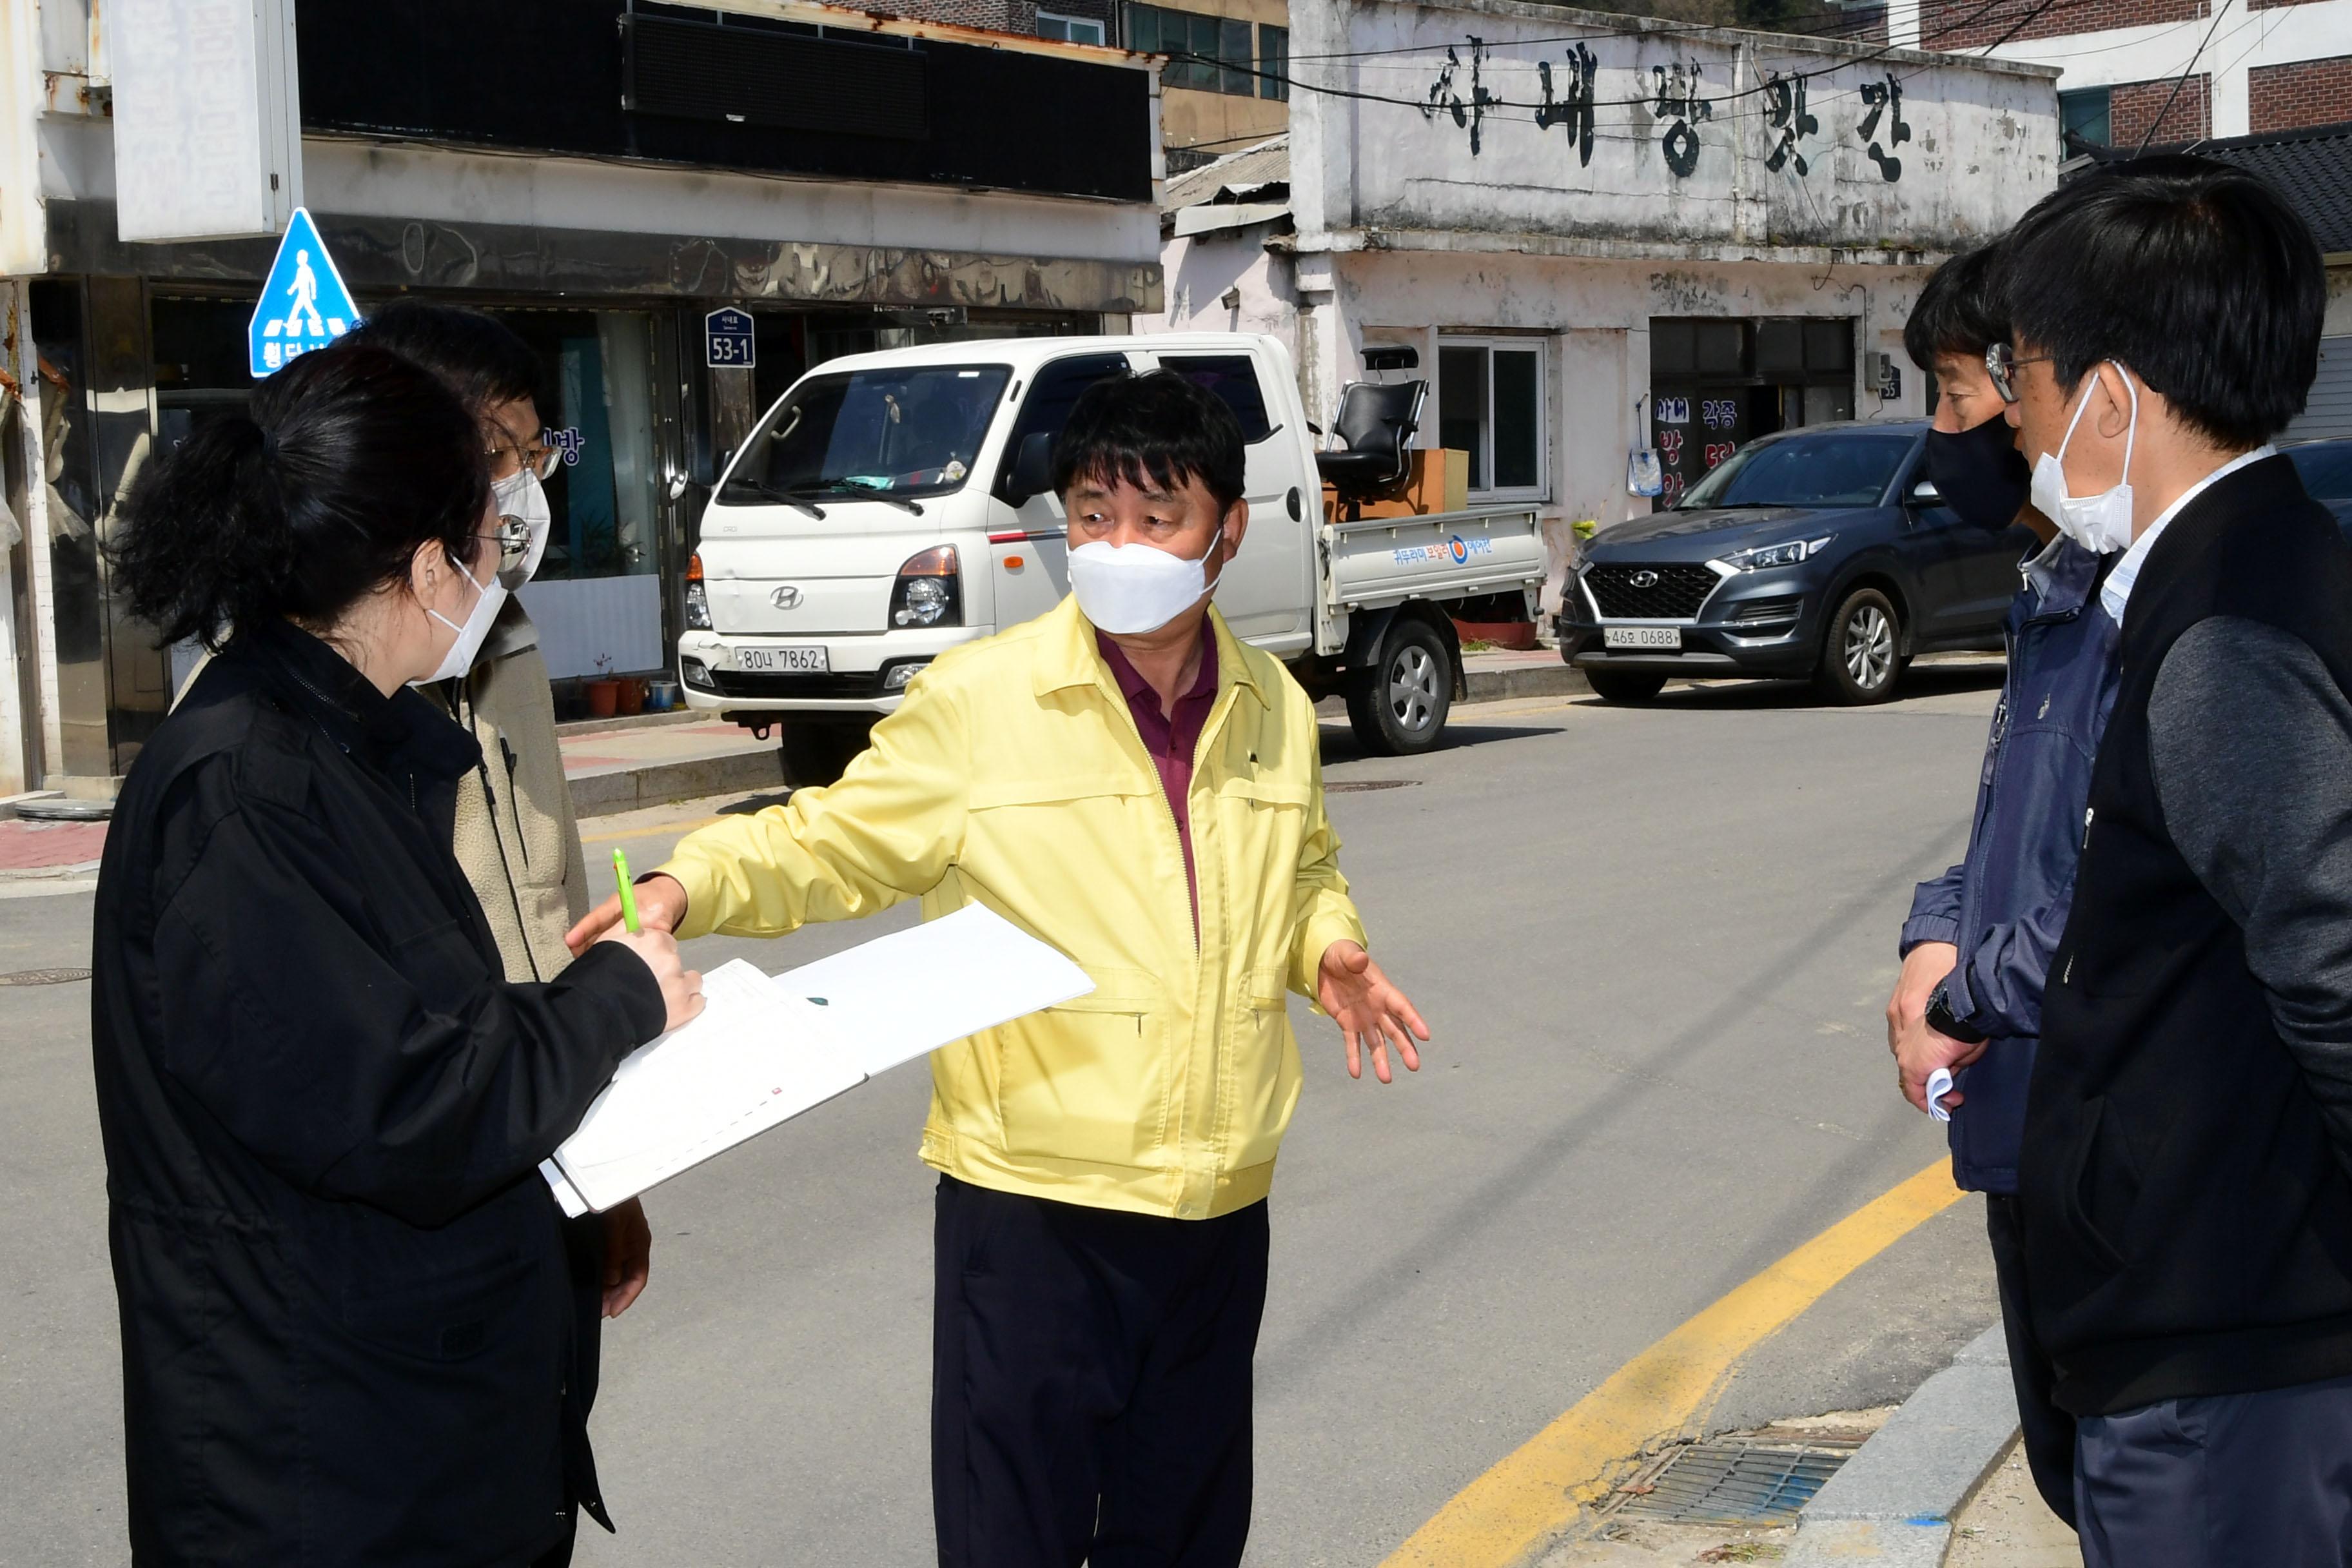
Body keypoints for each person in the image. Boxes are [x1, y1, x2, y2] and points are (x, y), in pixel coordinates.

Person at [567, 369, 1429, 1567]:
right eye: (1091, 515)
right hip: (1035, 1218)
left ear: (1226, 532)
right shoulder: (983, 699)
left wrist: (1324, 943)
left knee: (1183, 1539)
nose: (1118, 546)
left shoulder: (1273, 702)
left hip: (1218, 1215)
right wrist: (685, 883)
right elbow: (830, 840)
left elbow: (1296, 864)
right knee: (1009, 1541)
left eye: (1155, 518)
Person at [91, 342, 701, 1566]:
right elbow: (407, 1100)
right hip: (323, 1479)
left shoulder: (345, 746)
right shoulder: (244, 789)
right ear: (427, 566)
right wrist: (623, 997)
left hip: (411, 1442)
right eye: (488, 528)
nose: (500, 557)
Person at [1988, 156, 2352, 1565]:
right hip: (2222, 1339)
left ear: (2113, 400)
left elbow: (2333, 972)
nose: (2016, 423)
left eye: (2023, 381)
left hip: (2232, 1364)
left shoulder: (2225, 642)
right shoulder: (2252, 571)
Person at [350, 300, 659, 1335]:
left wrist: (607, 1170)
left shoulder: (510, 642)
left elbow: (549, 915)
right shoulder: (309, 693)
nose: (521, 488)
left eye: (535, 453)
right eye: (495, 452)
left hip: (553, 1145)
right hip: (418, 1198)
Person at [1883, 240, 2115, 1529]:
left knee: (2122, 1485)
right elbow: (2013, 849)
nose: (1947, 432)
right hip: (2022, 1131)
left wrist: (1964, 985)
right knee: (2071, 1476)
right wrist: (1932, 940)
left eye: (1966, 391)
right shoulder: (2049, 596)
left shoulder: (2136, 613)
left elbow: (2124, 887)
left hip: (2095, 1139)